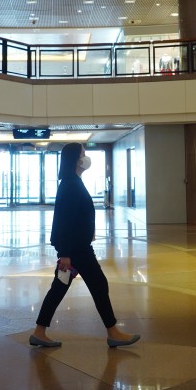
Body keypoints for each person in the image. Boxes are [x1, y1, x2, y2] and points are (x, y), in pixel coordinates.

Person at [30, 143, 140, 349]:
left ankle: (39, 331)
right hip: (76, 250)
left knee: (60, 288)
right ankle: (113, 332)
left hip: (76, 248)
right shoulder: (71, 185)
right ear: (76, 160)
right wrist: (64, 254)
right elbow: (65, 221)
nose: (86, 157)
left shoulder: (72, 182)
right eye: (83, 154)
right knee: (98, 285)